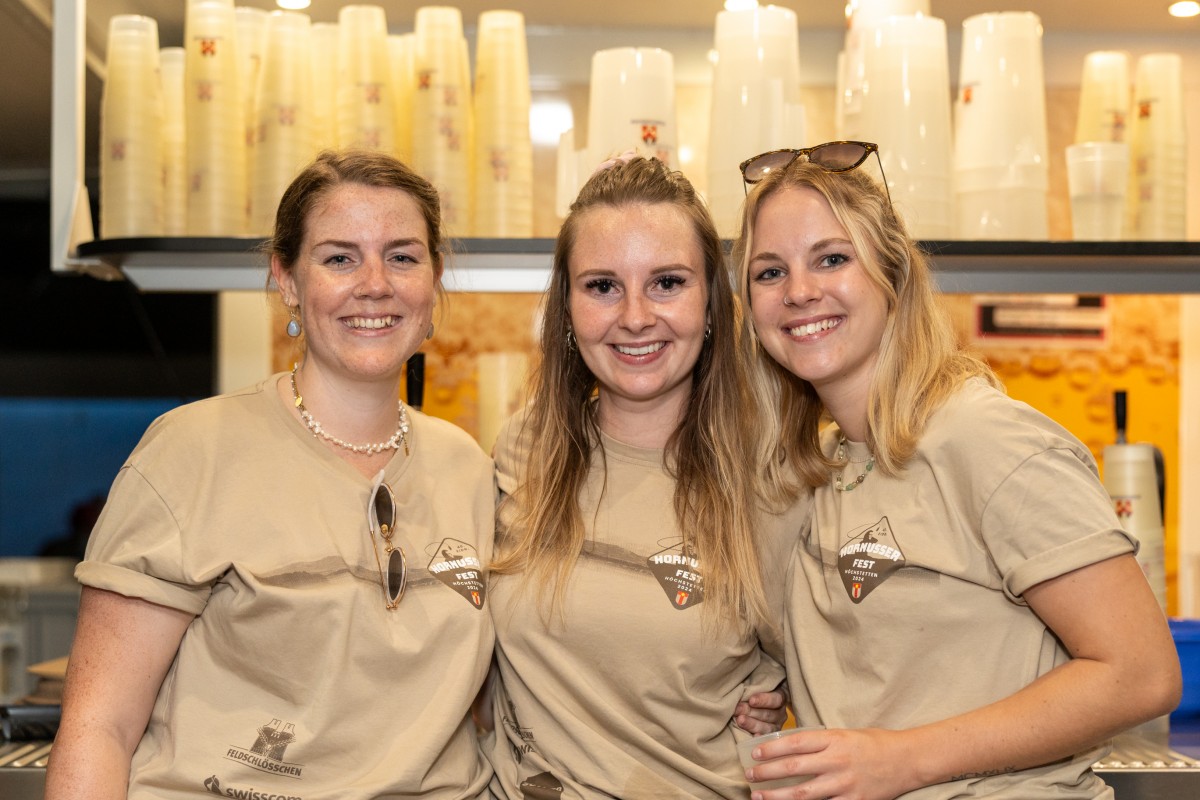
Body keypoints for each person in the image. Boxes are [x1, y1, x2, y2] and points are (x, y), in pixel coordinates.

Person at [731, 142, 1182, 799]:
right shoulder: (820, 466)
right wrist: (772, 688)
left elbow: (1141, 674)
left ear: (893, 274)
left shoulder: (987, 439)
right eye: (770, 272)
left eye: (832, 258)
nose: (800, 291)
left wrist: (903, 760)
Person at [44, 150, 496, 799]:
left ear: (434, 281)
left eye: (402, 256)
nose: (375, 283)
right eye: (339, 258)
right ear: (287, 279)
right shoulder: (192, 453)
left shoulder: (468, 468)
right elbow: (99, 727)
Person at [483, 155, 808, 799]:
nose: (634, 317)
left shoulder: (773, 482)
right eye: (603, 286)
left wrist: (776, 692)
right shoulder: (525, 448)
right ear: (567, 308)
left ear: (711, 303)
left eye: (666, 282)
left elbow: (853, 674)